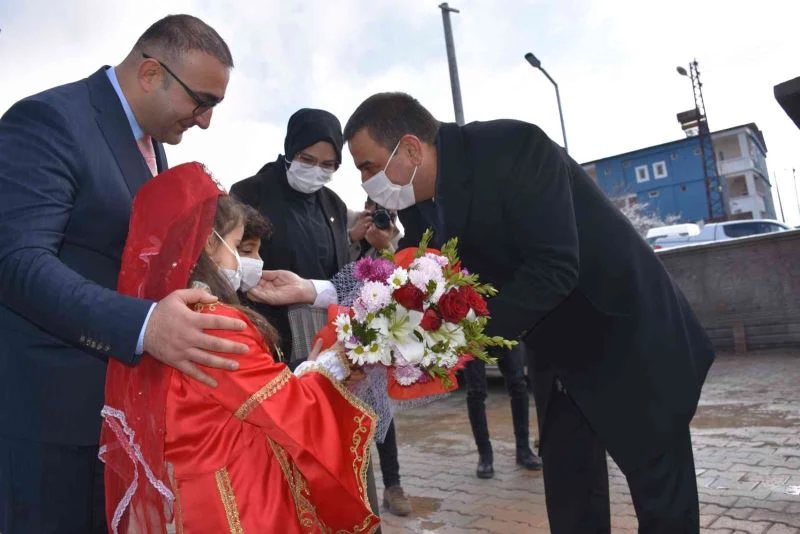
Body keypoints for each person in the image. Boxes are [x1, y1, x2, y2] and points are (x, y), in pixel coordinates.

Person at [340, 92, 716, 533]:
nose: (365, 182)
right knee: (572, 499)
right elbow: (428, 280)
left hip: (627, 338)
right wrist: (375, 324)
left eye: (368, 167)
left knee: (663, 504)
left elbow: (554, 268)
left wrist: (457, 342)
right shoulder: (422, 203)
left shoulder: (515, 149)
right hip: (557, 353)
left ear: (410, 149)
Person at [0, 15, 246, 533]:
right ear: (151, 74)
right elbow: (17, 261)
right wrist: (145, 326)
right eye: (201, 102)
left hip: (112, 417)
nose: (205, 121)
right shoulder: (50, 121)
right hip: (47, 420)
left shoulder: (151, 144)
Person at [100, 162, 380, 533]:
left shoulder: (168, 316)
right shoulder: (212, 321)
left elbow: (239, 391)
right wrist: (329, 366)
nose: (247, 260)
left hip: (192, 492)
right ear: (207, 243)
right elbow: (289, 410)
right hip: (235, 498)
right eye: (236, 245)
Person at [231, 108, 351, 360]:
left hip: (327, 327)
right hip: (270, 328)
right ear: (290, 150)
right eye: (306, 159)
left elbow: (342, 269)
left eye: (327, 165)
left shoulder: (334, 205)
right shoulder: (251, 193)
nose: (316, 170)